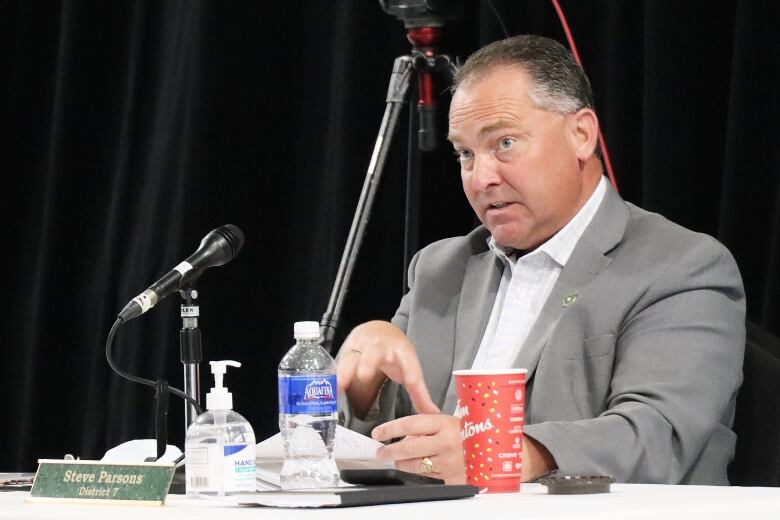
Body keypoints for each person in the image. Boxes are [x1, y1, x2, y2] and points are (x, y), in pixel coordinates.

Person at [336, 35, 745, 485]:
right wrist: (363, 384)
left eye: (505, 143)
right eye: (466, 154)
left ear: (581, 134)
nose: (482, 177)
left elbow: (657, 436)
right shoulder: (441, 268)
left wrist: (496, 455)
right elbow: (395, 438)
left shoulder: (680, 266)